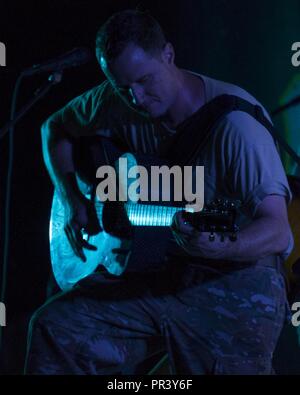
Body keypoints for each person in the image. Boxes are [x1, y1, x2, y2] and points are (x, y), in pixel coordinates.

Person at [24, 9, 293, 375]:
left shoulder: (236, 125)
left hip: (237, 277)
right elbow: (54, 130)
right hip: (156, 267)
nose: (135, 97)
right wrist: (72, 199)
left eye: (144, 80)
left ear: (168, 54)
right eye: (123, 87)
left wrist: (223, 246)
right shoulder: (115, 99)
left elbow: (277, 231)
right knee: (54, 328)